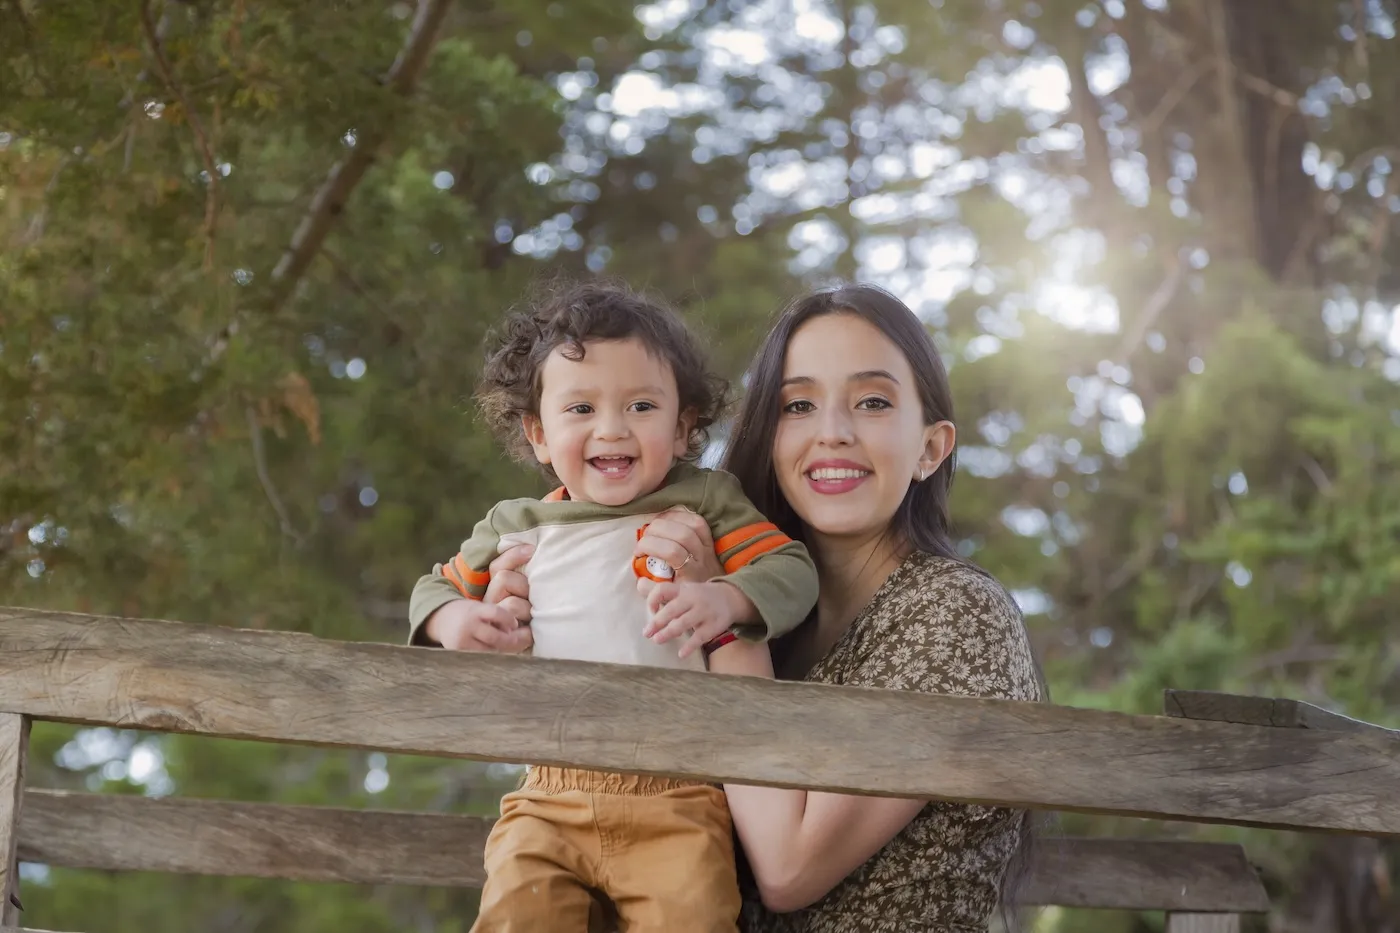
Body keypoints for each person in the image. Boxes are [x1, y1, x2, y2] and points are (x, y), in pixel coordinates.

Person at [407, 279, 820, 933]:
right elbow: (433, 588)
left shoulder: (707, 504)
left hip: (679, 793)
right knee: (518, 913)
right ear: (539, 434)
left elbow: (793, 571)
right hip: (549, 791)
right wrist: (456, 620)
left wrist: (725, 595)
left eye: (641, 405)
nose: (612, 428)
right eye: (581, 409)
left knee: (692, 917)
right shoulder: (518, 524)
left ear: (683, 426)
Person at [643, 284, 1047, 932]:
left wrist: (730, 614)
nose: (832, 432)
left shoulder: (957, 612)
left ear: (931, 446)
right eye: (798, 404)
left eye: (873, 401)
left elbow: (790, 868)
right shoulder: (772, 620)